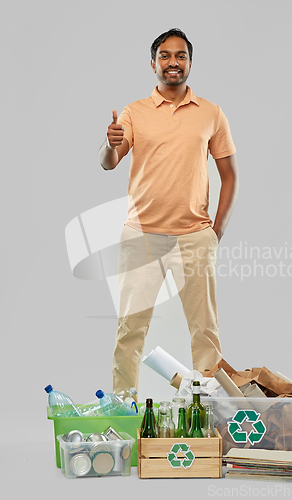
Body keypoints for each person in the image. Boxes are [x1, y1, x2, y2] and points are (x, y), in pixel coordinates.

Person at [99, 28, 239, 398]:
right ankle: (123, 411)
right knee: (130, 330)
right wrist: (110, 144)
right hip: (141, 237)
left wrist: (215, 230)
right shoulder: (134, 112)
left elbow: (230, 175)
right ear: (153, 63)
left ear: (190, 63)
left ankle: (208, 415)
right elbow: (109, 162)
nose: (172, 62)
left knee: (205, 330)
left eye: (180, 56)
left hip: (194, 236)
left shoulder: (211, 113)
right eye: (165, 55)